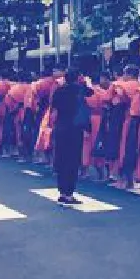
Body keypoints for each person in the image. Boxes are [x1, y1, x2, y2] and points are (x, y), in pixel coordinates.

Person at [49, 69, 93, 204]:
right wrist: (87, 82)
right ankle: (69, 194)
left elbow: (54, 108)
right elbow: (90, 92)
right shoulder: (80, 89)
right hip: (75, 128)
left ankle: (62, 192)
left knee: (61, 159)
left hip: (61, 127)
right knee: (73, 161)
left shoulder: (59, 90)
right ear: (77, 78)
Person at [83, 73, 112, 179]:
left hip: (92, 120)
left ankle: (87, 172)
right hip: (101, 120)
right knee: (100, 145)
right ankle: (106, 174)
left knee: (88, 146)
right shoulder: (105, 92)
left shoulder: (89, 92)